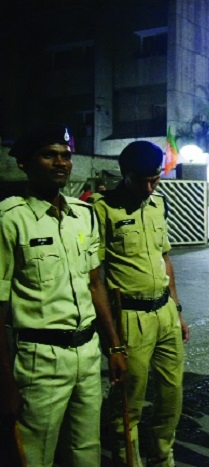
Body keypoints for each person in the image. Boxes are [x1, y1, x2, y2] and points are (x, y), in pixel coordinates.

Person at [0, 124, 127, 466]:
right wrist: (5, 384)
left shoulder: (82, 215)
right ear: (24, 163)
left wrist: (114, 347)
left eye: (66, 156)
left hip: (87, 353)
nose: (61, 163)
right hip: (40, 359)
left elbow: (95, 285)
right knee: (35, 455)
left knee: (86, 451)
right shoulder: (10, 220)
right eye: (49, 155)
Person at [90, 141, 189, 467]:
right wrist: (112, 342)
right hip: (130, 317)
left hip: (165, 312)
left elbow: (165, 260)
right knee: (127, 404)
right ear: (125, 174)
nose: (149, 188)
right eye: (142, 181)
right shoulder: (103, 208)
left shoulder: (158, 204)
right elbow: (95, 279)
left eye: (155, 179)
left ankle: (162, 458)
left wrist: (177, 310)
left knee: (171, 396)